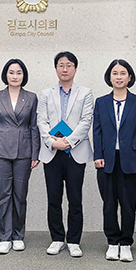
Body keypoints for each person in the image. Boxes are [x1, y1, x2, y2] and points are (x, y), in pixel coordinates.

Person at [37, 51, 93, 258]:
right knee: (53, 198)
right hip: (52, 152)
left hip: (75, 152)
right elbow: (41, 121)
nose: (65, 69)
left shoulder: (86, 93)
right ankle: (57, 238)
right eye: (61, 65)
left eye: (69, 65)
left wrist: (68, 141)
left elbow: (86, 120)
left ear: (75, 69)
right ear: (56, 68)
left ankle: (74, 240)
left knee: (75, 198)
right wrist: (53, 142)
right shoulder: (45, 94)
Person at [93, 59, 136, 262]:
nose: (119, 77)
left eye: (123, 73)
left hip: (131, 159)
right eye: (115, 73)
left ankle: (126, 243)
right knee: (109, 203)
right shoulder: (101, 102)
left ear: (130, 77)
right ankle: (112, 242)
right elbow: (97, 131)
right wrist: (97, 155)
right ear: (109, 77)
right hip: (107, 160)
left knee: (128, 204)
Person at [0, 59, 40, 254]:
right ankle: (4, 237)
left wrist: (35, 153)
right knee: (3, 195)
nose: (15, 76)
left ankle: (18, 235)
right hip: (0, 152)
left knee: (20, 195)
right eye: (11, 72)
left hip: (24, 152)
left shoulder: (32, 97)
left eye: (19, 73)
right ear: (5, 75)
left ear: (23, 75)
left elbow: (34, 126)